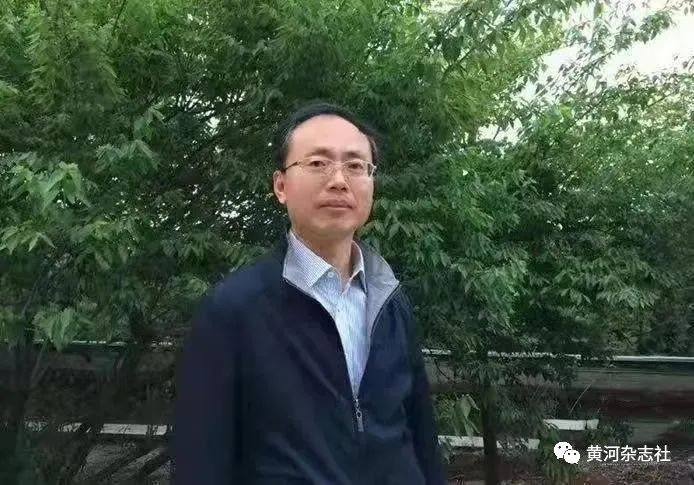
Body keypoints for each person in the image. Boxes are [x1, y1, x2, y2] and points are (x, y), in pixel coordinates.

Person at [173, 102, 446, 484]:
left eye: (356, 166)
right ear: (280, 186)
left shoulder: (390, 300)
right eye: (318, 163)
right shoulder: (234, 309)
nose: (339, 180)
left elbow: (422, 438)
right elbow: (200, 461)